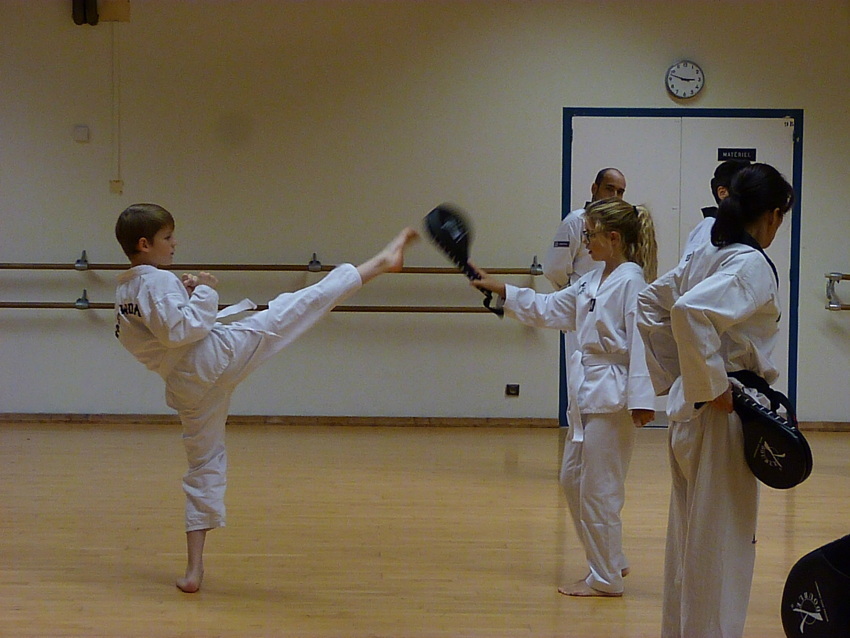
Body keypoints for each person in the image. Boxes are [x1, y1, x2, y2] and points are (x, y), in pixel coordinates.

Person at [113, 203, 418, 593]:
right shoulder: (156, 280)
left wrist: (185, 295)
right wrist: (205, 290)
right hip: (212, 357)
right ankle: (380, 262)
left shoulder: (125, 292)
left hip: (185, 385)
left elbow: (155, 335)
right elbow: (180, 331)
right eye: (167, 237)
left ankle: (193, 570)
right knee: (293, 308)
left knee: (204, 465)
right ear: (145, 244)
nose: (175, 244)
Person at [635, 163, 794, 637]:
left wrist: (686, 379)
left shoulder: (707, 248)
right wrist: (713, 385)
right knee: (720, 548)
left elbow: (651, 303)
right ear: (772, 215)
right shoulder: (749, 264)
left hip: (692, 411)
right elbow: (688, 311)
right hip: (725, 413)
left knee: (690, 541)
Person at [472, 197, 657, 597]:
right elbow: (549, 308)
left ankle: (605, 578)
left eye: (591, 235)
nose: (585, 242)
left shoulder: (632, 282)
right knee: (572, 480)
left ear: (614, 238)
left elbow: (642, 341)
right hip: (586, 391)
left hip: (613, 395)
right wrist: (502, 289)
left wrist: (642, 398)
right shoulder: (591, 280)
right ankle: (612, 558)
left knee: (600, 488)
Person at [543, 168, 627, 290]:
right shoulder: (576, 220)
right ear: (594, 188)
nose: (614, 196)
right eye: (609, 189)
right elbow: (554, 269)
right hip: (579, 297)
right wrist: (573, 292)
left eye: (620, 192)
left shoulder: (622, 226)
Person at [680, 159, 750, 262]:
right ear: (722, 193)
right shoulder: (708, 227)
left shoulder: (742, 229)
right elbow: (688, 269)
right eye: (745, 190)